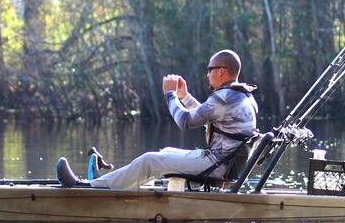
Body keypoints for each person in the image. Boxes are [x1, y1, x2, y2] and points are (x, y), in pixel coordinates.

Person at [55, 49, 258, 190]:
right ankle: (114, 184)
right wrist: (184, 96)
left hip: (216, 166)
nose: (207, 74)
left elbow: (185, 121)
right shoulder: (241, 96)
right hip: (222, 163)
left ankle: (86, 187)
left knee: (150, 159)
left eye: (209, 69)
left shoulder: (224, 97)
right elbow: (207, 117)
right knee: (165, 153)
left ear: (221, 71)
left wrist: (169, 95)